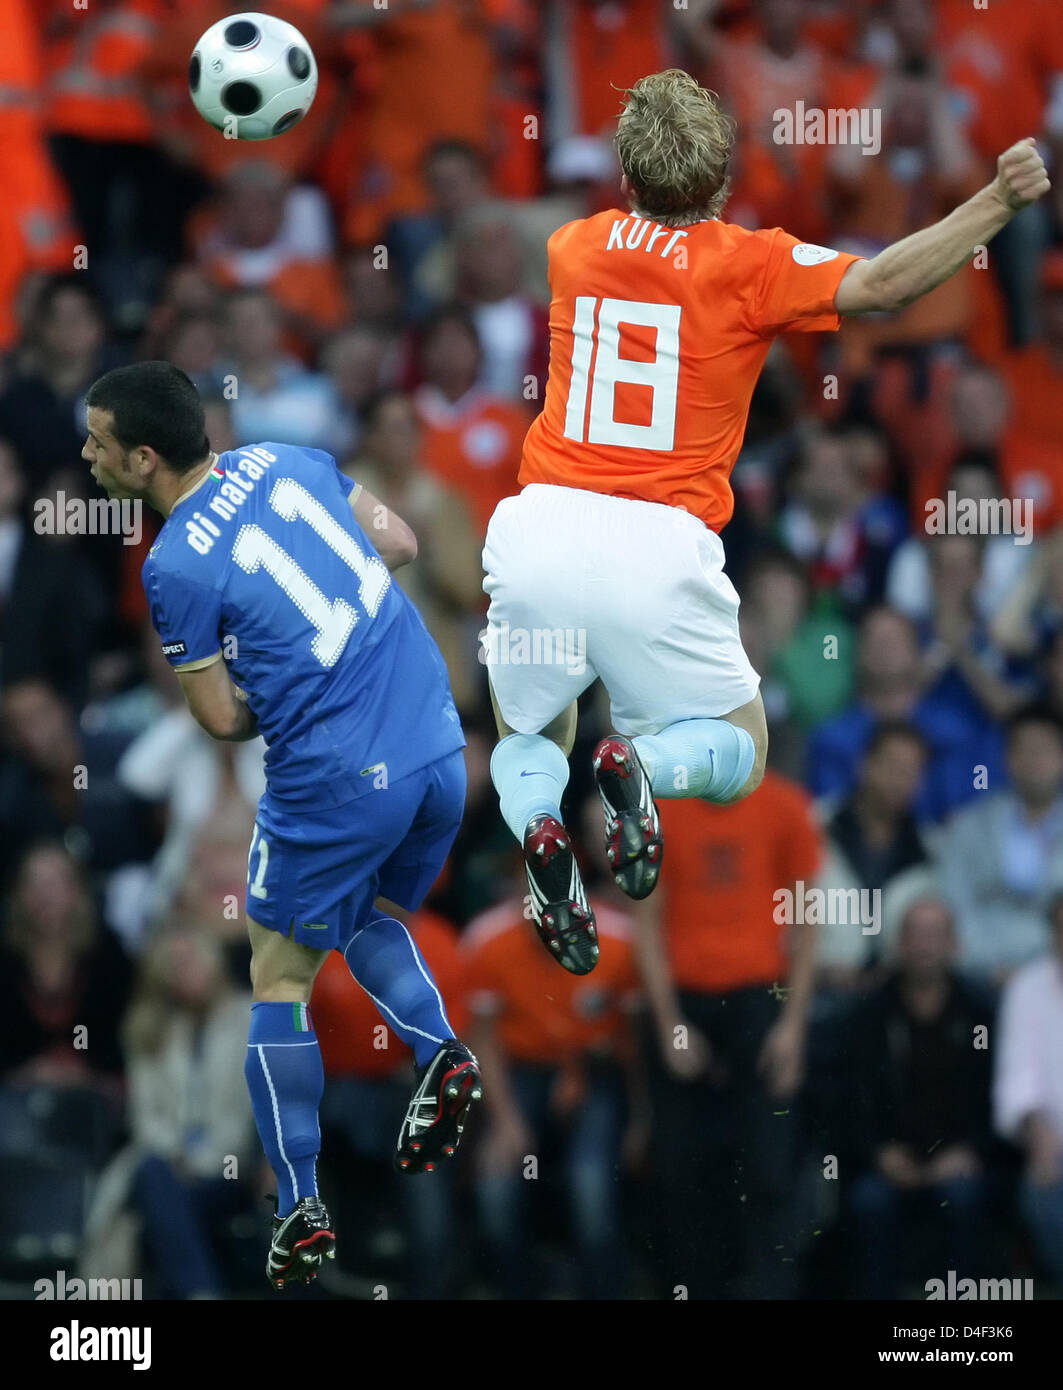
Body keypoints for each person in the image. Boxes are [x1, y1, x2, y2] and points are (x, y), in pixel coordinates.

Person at [480, 66, 1051, 976]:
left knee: (528, 736)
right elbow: (887, 284)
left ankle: (544, 828)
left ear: (624, 180)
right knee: (742, 750)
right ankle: (644, 769)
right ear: (719, 185)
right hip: (657, 544)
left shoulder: (572, 246)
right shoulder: (748, 265)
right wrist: (994, 198)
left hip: (540, 523)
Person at [82, 360, 481, 1289]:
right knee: (362, 917)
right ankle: (438, 1049)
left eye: (99, 439)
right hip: (435, 743)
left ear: (144, 460)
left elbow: (220, 719)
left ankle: (298, 1204)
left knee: (276, 973)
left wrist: (284, 677)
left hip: (336, 779)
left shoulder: (173, 562)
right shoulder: (286, 457)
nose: (88, 454)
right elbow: (405, 543)